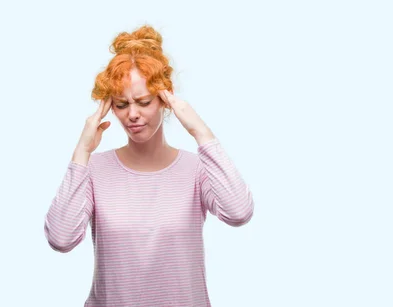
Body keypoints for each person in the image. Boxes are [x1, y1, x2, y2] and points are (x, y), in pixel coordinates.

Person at [43, 24, 255, 307]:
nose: (133, 115)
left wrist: (200, 131)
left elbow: (239, 212)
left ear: (164, 100)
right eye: (121, 105)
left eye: (143, 102)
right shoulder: (94, 170)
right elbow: (61, 238)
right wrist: (82, 151)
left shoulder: (197, 170)